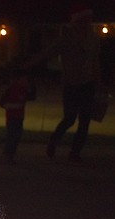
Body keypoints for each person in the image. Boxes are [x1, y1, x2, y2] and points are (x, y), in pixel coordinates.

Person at [40, 5, 103, 163]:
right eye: (84, 20)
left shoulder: (93, 38)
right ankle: (54, 140)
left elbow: (95, 61)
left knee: (85, 121)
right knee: (69, 118)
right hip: (71, 83)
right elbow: (48, 53)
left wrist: (99, 82)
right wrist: (29, 66)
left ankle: (75, 153)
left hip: (87, 83)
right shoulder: (66, 38)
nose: (87, 23)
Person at [0, 69, 35, 162]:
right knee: (12, 135)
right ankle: (9, 154)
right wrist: (11, 106)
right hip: (12, 117)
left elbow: (32, 97)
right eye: (24, 80)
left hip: (20, 117)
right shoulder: (11, 90)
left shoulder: (24, 90)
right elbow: (2, 102)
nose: (25, 82)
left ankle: (9, 152)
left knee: (17, 136)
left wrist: (32, 87)